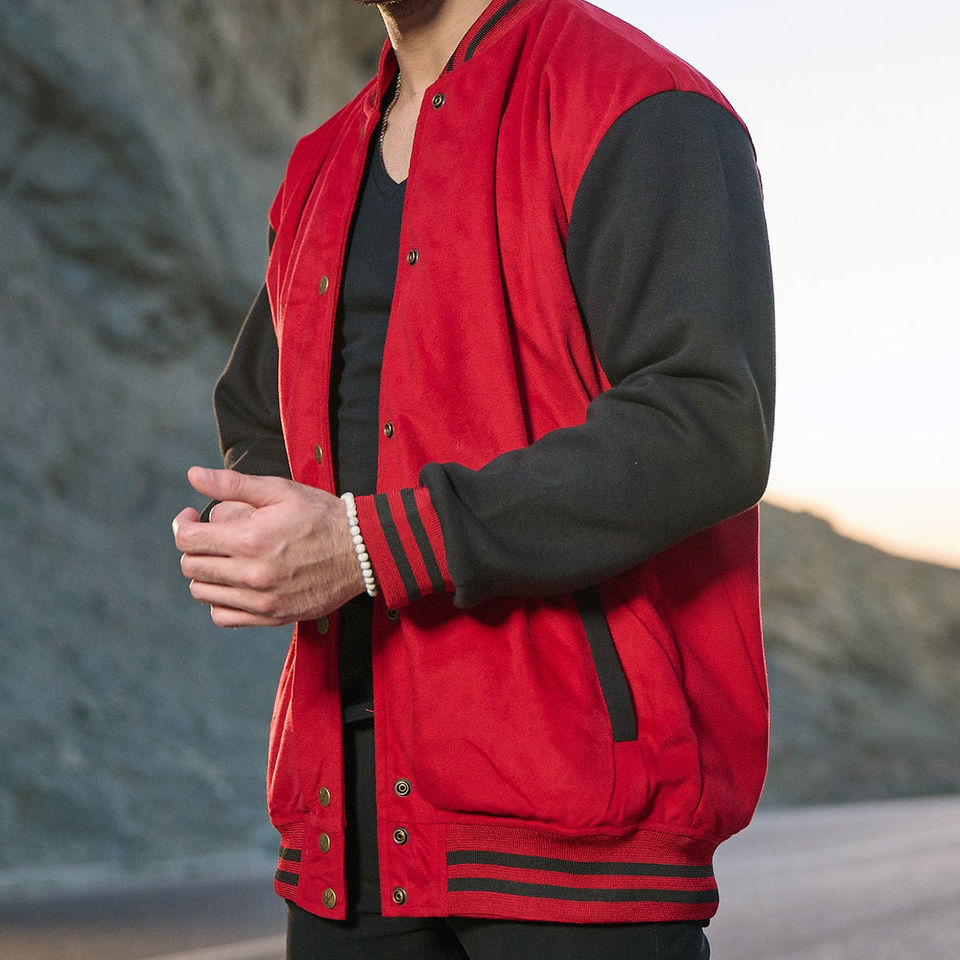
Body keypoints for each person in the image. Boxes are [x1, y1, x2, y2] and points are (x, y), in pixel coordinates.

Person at [173, 0, 775, 956]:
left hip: (574, 819)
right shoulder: (321, 165)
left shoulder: (639, 101)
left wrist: (371, 546)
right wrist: (255, 529)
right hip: (347, 830)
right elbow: (260, 414)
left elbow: (705, 426)